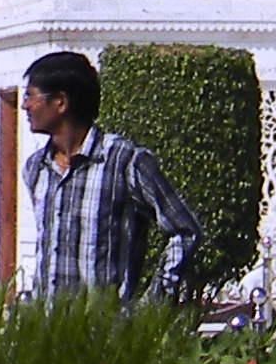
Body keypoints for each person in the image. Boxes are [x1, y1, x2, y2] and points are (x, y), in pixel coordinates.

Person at [18, 50, 202, 306]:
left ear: (61, 102)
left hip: (106, 334)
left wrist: (153, 301)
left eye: (30, 96)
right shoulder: (36, 168)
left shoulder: (123, 161)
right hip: (47, 333)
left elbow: (185, 231)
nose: (25, 106)